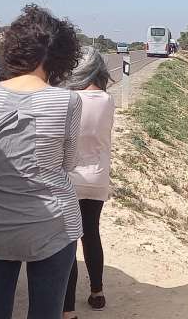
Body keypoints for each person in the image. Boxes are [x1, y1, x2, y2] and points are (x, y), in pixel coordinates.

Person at [0, 5, 84, 319]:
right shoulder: (67, 100)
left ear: (13, 48)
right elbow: (68, 164)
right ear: (61, 57)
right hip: (51, 227)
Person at [62, 46, 115, 318]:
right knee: (91, 234)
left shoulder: (68, 99)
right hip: (98, 178)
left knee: (69, 241)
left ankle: (68, 308)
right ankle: (97, 292)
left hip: (70, 178)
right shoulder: (108, 100)